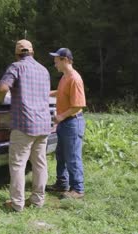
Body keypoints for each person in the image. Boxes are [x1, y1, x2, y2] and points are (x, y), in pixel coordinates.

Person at [0, 39, 51, 212]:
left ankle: (17, 204)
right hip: (43, 123)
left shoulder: (16, 67)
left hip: (24, 124)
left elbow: (3, 88)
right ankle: (37, 201)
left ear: (17, 53)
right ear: (32, 52)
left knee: (18, 164)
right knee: (40, 164)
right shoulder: (44, 70)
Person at [46, 48, 86, 199]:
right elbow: (61, 92)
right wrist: (48, 92)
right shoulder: (65, 77)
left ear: (65, 60)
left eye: (56, 60)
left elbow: (78, 105)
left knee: (72, 157)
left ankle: (78, 189)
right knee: (61, 155)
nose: (54, 63)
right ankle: (62, 184)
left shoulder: (75, 79)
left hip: (72, 123)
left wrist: (61, 117)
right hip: (65, 123)